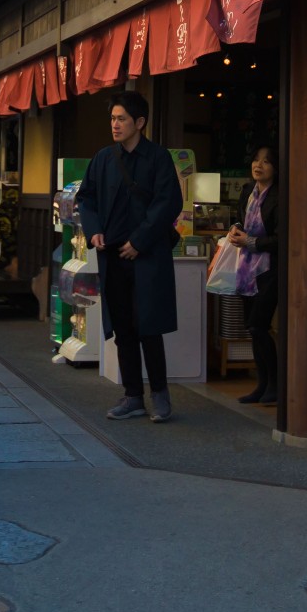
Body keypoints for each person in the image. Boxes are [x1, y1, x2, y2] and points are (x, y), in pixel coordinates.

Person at [78, 91, 183, 423]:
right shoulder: (103, 158)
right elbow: (87, 198)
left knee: (148, 326)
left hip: (148, 255)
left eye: (121, 119)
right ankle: (133, 396)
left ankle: (161, 395)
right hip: (114, 257)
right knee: (123, 328)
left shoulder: (158, 158)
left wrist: (139, 240)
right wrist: (92, 229)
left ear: (140, 122)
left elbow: (168, 203)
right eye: (112, 119)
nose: (115, 125)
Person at [228, 146, 281, 406]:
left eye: (267, 162)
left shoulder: (280, 196)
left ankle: (275, 384)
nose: (259, 165)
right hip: (246, 267)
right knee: (252, 327)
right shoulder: (248, 191)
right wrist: (236, 231)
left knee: (259, 325)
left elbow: (282, 238)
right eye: (256, 160)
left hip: (269, 269)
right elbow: (239, 219)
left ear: (277, 168)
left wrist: (250, 241)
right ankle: (262, 384)